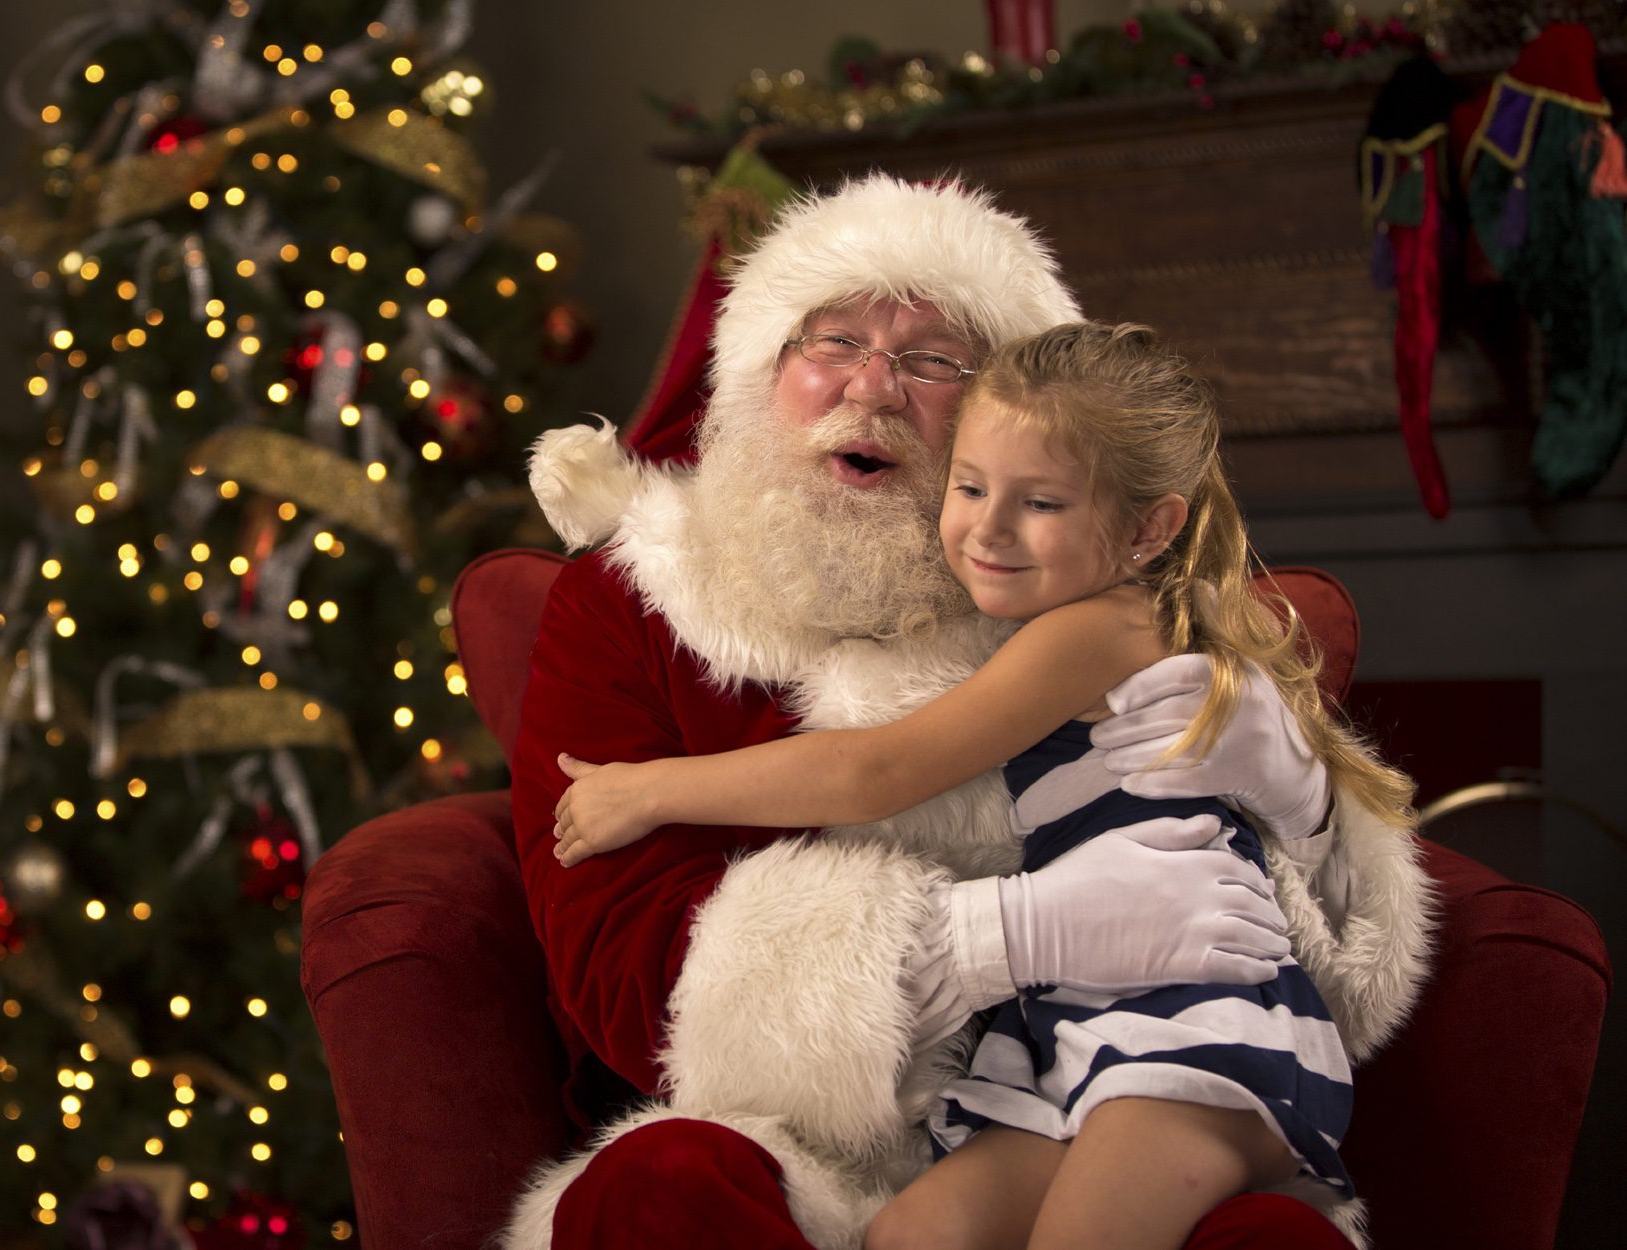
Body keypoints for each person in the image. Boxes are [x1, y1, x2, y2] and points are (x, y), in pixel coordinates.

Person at [501, 175, 1432, 1250]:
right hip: (818, 1124)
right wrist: (999, 935)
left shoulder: (1074, 610)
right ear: (758, 371)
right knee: (676, 1191)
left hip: (1149, 1051)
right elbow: (619, 970)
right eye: (831, 337)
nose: (876, 383)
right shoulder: (637, 598)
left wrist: (1276, 842)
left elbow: (878, 769)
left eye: (936, 357)